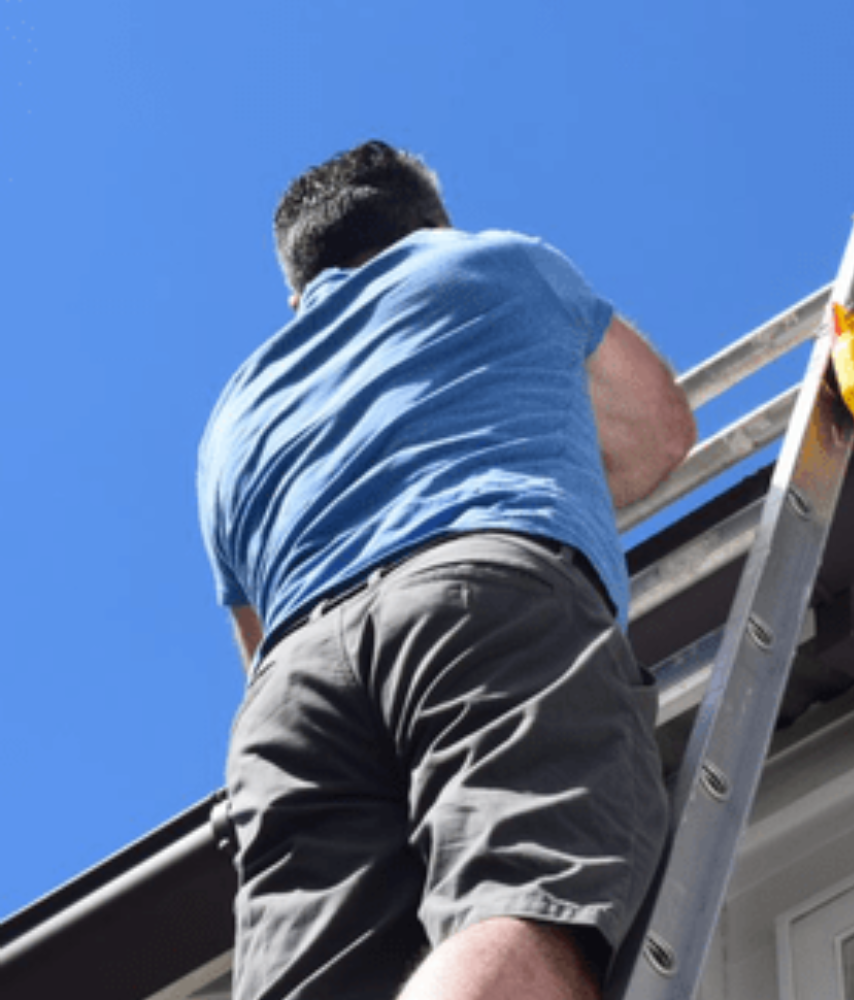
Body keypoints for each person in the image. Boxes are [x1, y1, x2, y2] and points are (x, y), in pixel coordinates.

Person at [196, 140, 696, 1000]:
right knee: (521, 900)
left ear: (296, 292)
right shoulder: (491, 262)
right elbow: (659, 433)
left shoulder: (231, 417)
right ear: (428, 222)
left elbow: (256, 645)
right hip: (478, 592)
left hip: (290, 692)